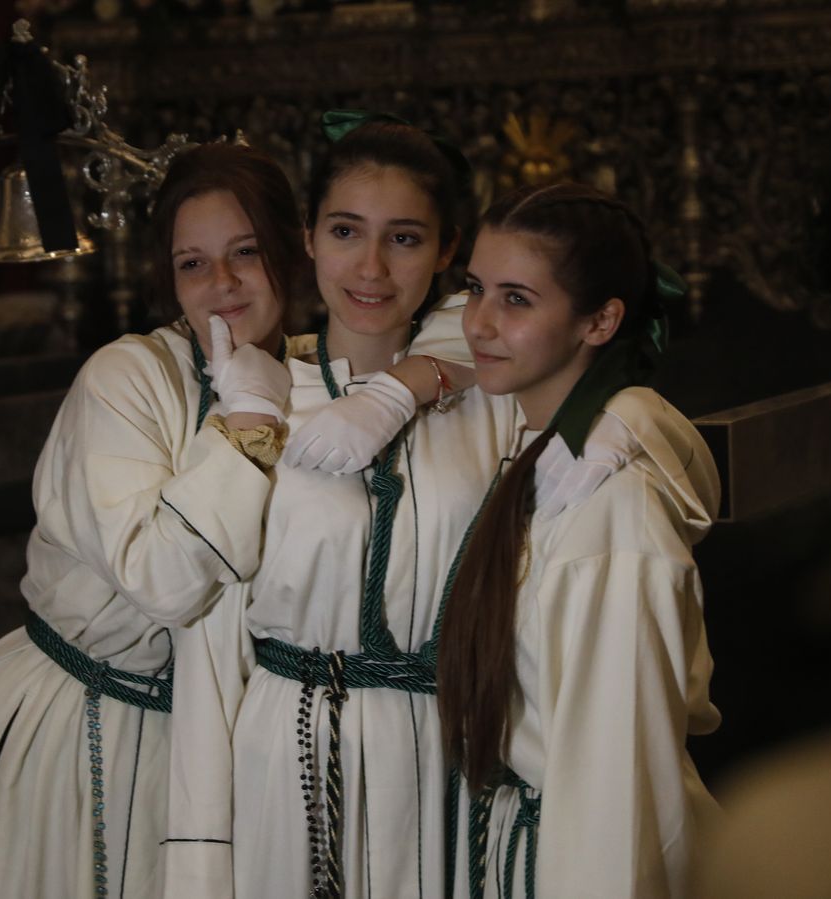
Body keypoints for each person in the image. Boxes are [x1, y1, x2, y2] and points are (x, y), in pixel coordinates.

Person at [0, 142, 306, 899]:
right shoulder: (126, 377)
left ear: (292, 255)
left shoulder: (314, 374)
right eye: (193, 263)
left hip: (201, 740)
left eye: (247, 252)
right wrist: (245, 426)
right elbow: (164, 580)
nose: (224, 284)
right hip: (78, 722)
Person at [209, 115, 523, 899]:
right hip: (286, 741)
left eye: (406, 238)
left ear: (447, 251)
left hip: (436, 740)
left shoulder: (490, 393)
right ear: (308, 236)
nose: (372, 267)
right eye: (346, 230)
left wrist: (413, 383)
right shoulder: (254, 393)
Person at [437, 182, 724, 898]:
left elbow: (616, 795)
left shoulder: (616, 518)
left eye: (517, 299)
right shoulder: (545, 459)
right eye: (475, 288)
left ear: (600, 322)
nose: (477, 323)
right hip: (516, 843)